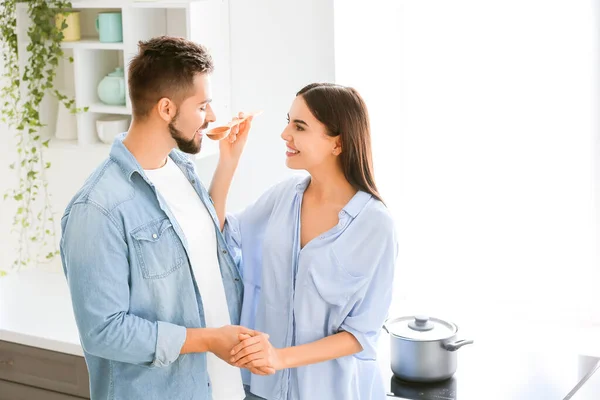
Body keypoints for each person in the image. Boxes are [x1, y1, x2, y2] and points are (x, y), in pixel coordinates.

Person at [60, 36, 272, 400]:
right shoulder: (96, 209)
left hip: (220, 387)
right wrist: (208, 339)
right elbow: (103, 331)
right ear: (166, 109)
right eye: (203, 106)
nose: (212, 117)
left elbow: (203, 245)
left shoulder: (180, 166)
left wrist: (229, 163)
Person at [210, 83, 398, 400]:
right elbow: (219, 236)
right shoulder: (283, 197)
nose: (285, 134)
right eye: (288, 122)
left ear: (337, 143)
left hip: (329, 392)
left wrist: (280, 357)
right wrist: (229, 160)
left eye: (299, 126)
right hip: (261, 387)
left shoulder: (375, 226)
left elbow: (361, 333)